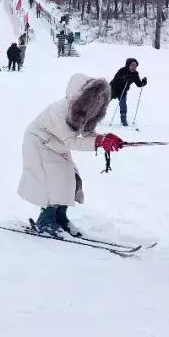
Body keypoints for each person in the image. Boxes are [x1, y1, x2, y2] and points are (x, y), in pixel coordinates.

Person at [17, 74, 124, 236]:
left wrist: (105, 139)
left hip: (56, 144)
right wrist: (99, 142)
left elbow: (87, 134)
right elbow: (71, 142)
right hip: (39, 143)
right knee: (51, 182)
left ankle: (60, 217)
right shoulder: (60, 110)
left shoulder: (86, 110)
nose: (99, 102)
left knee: (69, 179)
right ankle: (45, 221)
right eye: (96, 98)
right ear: (83, 95)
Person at [109, 58, 148, 127]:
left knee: (123, 106)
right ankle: (94, 115)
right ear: (128, 65)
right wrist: (124, 78)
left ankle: (123, 121)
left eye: (135, 66)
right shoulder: (122, 70)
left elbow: (139, 84)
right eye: (132, 65)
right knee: (104, 103)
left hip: (123, 91)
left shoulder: (135, 74)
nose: (134, 67)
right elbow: (115, 80)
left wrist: (143, 82)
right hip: (113, 89)